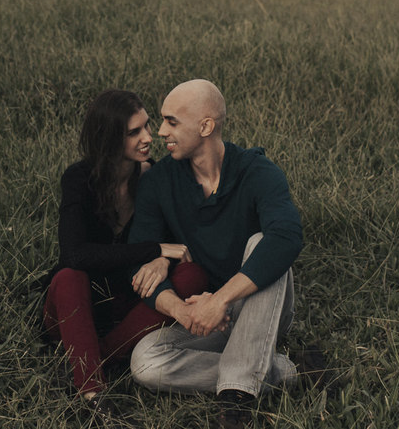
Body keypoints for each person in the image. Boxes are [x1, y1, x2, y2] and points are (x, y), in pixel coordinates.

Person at [127, 79, 322, 429]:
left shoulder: (257, 171)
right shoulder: (159, 181)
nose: (160, 132)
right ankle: (290, 370)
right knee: (145, 362)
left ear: (205, 126)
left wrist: (220, 299)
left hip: (260, 305)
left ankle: (236, 400)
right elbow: (139, 257)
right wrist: (185, 313)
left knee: (262, 241)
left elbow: (287, 237)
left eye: (172, 121)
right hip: (207, 316)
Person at [42, 89, 208, 425]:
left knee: (194, 274)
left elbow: (182, 242)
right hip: (76, 303)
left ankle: (94, 355)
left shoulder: (154, 175)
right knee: (69, 275)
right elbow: (75, 254)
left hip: (128, 303)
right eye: (134, 132)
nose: (149, 137)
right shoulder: (78, 179)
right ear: (108, 139)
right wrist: (154, 249)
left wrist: (163, 259)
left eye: (148, 126)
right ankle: (94, 396)